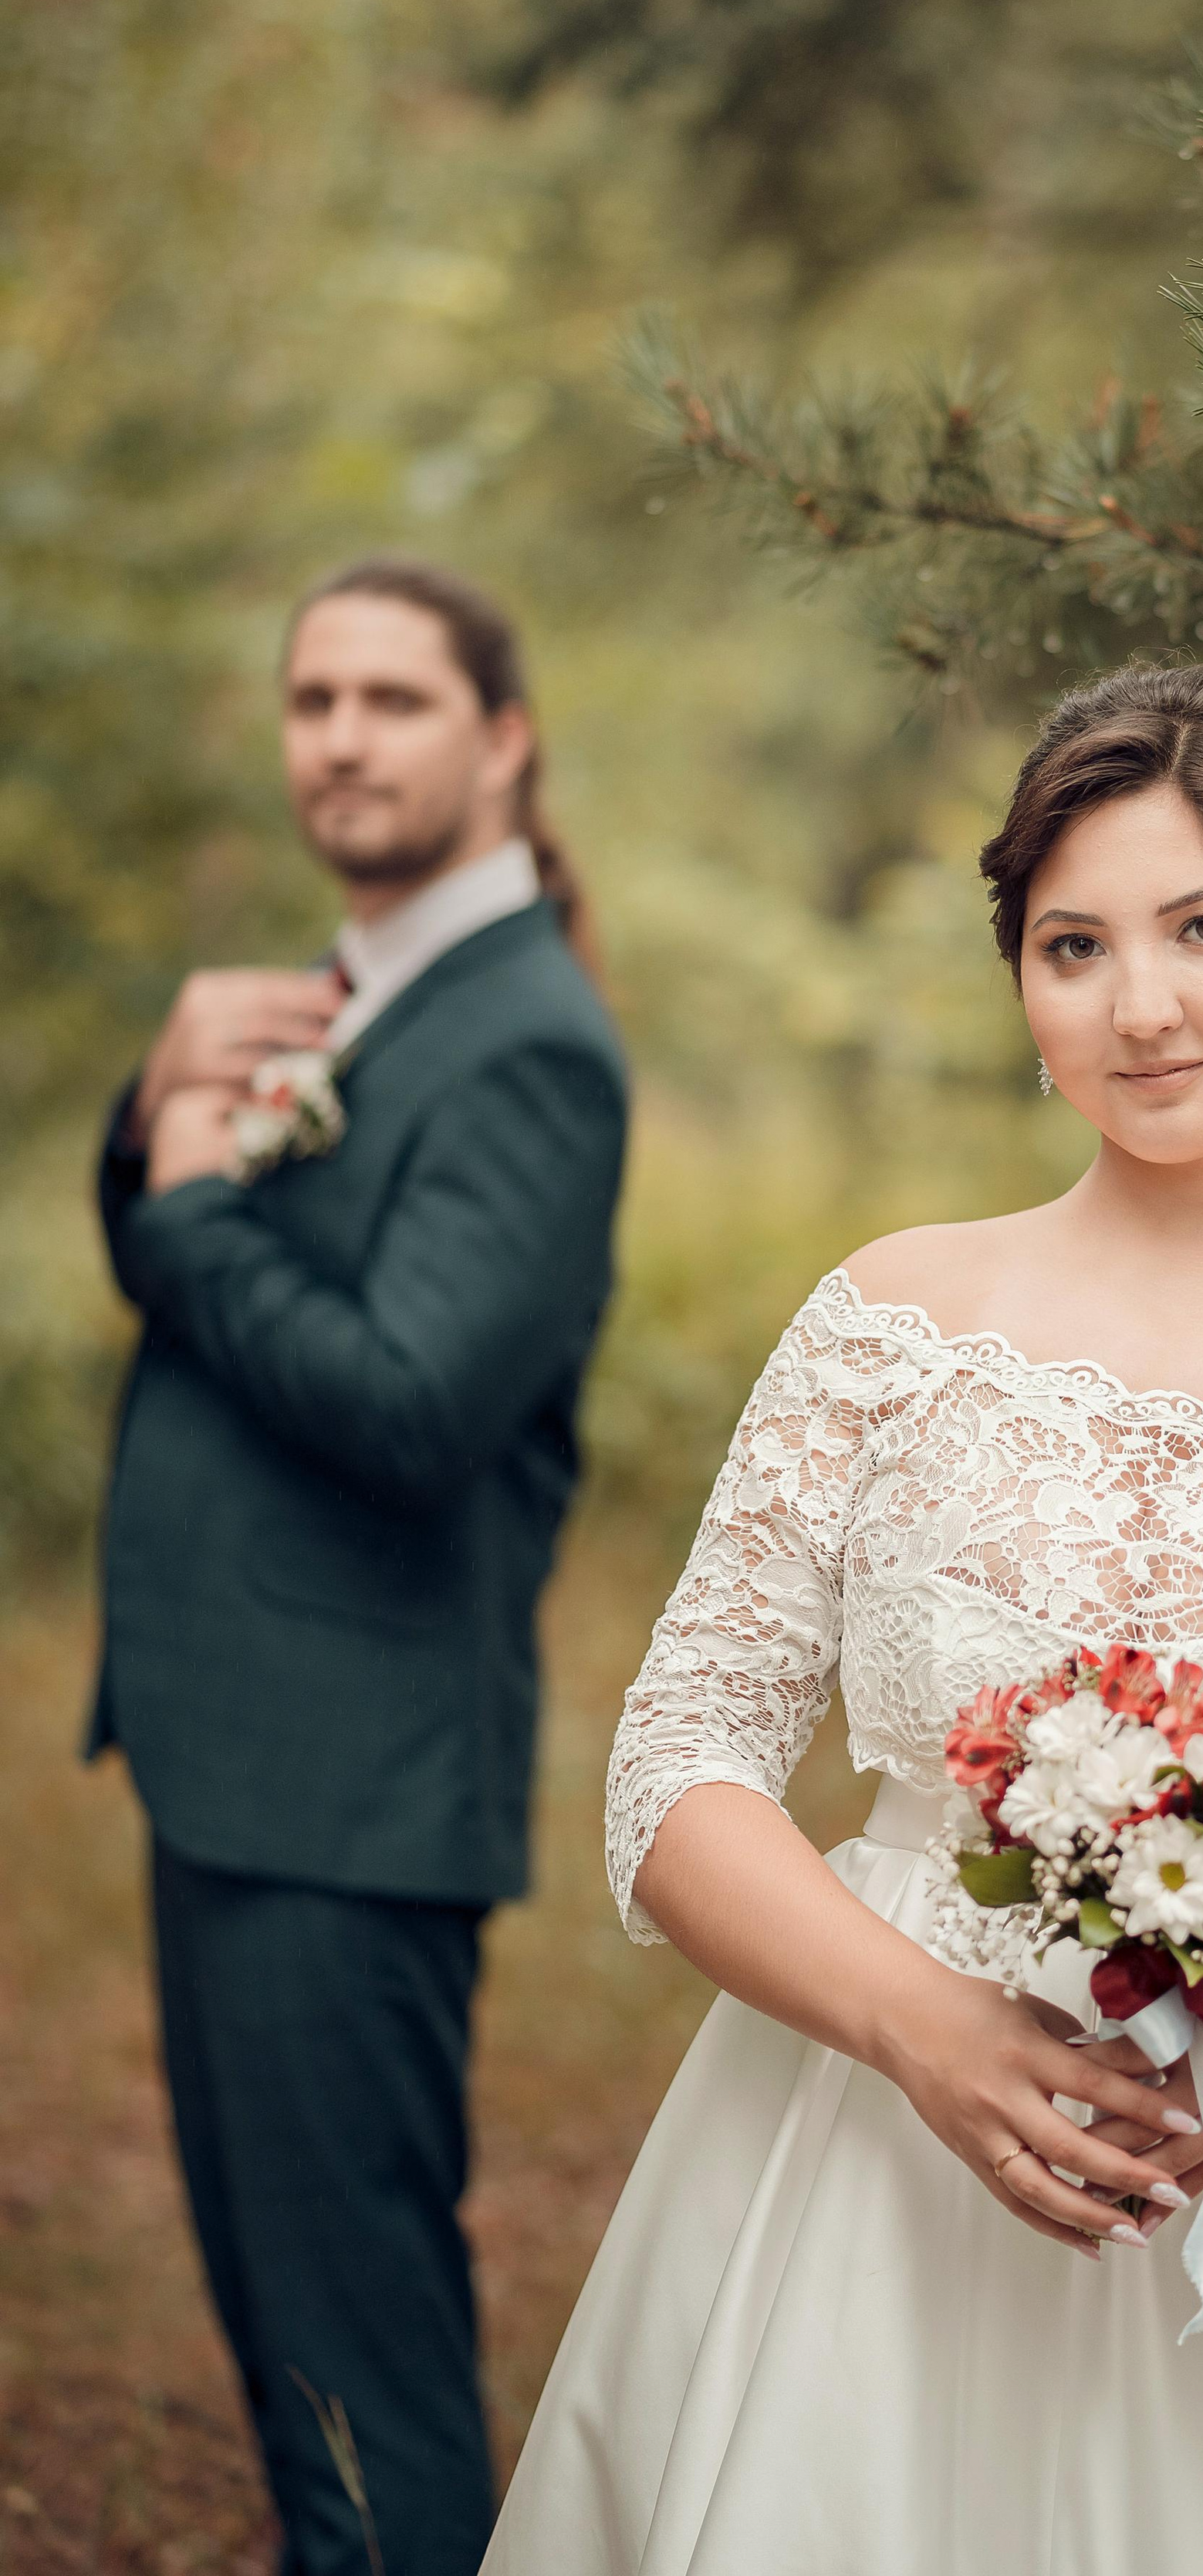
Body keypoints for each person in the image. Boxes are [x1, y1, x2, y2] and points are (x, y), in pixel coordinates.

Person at [484, 662, 1203, 2576]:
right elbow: (677, 1757)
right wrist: (922, 2027)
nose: (1140, 1008)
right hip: (875, 2172)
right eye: (1071, 946)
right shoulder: (892, 1323)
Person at [92, 558, 629, 2576]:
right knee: (282, 2340)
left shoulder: (529, 1041)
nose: (339, 737)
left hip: (352, 1786)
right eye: (312, 697)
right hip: (240, 1758)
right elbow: (209, 1254)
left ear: (504, 741)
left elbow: (414, 1406)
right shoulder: (356, 995)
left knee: (360, 2368)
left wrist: (191, 1209)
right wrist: (153, 1115)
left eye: (393, 699)